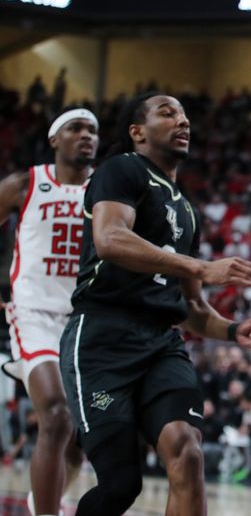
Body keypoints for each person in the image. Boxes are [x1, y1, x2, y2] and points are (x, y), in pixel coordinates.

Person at [59, 93, 251, 516]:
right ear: (137, 132)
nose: (182, 121)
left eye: (184, 114)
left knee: (188, 451)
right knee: (121, 485)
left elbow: (192, 308)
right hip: (102, 336)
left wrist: (233, 330)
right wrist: (199, 265)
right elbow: (109, 239)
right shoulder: (121, 169)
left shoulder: (187, 211)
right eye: (167, 112)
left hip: (161, 342)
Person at [0, 108, 98, 516]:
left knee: (77, 439)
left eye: (92, 130)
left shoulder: (106, 191)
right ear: (55, 139)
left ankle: (46, 498)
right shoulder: (25, 184)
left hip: (85, 320)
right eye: (76, 128)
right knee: (56, 416)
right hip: (34, 313)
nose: (86, 136)